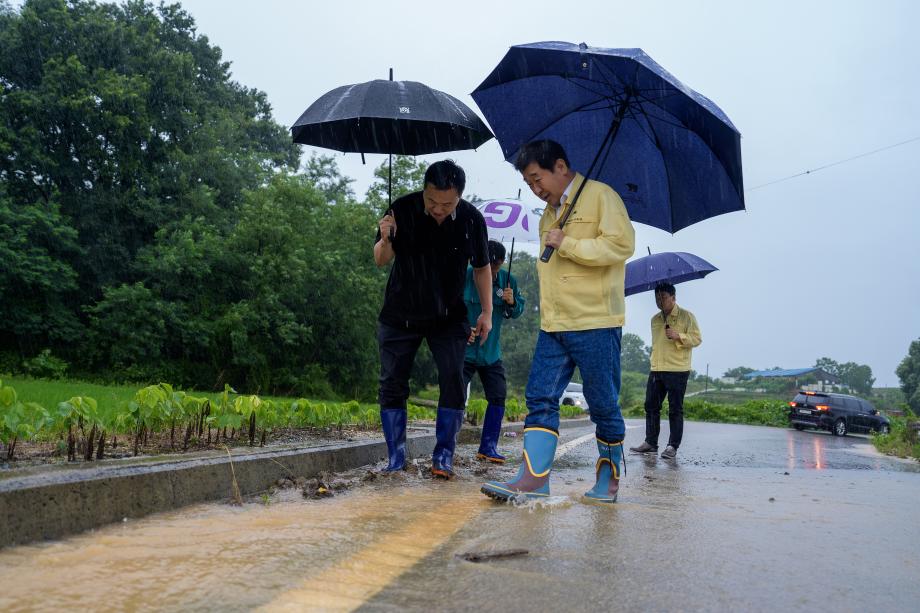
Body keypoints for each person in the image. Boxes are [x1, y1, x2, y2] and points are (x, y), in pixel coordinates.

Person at [482, 140, 635, 504]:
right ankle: (534, 479)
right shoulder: (550, 215)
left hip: (595, 321)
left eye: (538, 179)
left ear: (561, 166)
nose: (536, 189)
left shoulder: (601, 197)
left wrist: (568, 244)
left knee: (602, 404)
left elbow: (622, 245)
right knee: (540, 396)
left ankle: (607, 478)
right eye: (529, 182)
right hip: (554, 325)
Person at [374, 159, 493, 479]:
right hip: (401, 313)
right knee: (392, 383)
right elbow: (380, 260)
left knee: (454, 377)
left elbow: (481, 268)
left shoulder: (471, 219)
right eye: (432, 201)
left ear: (459, 197)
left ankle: (443, 456)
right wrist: (385, 239)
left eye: (447, 203)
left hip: (448, 316)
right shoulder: (401, 208)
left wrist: (487, 312)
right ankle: (396, 457)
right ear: (424, 191)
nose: (438, 209)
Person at [462, 240, 526, 463]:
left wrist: (512, 302)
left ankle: (488, 447)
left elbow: (516, 311)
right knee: (454, 396)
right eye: (490, 267)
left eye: (497, 268)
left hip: (491, 353)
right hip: (464, 351)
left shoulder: (508, 281)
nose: (493, 272)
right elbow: (449, 306)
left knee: (498, 396)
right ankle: (446, 449)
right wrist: (461, 328)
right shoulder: (463, 275)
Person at [629, 282, 702, 459]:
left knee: (675, 409)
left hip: (678, 369)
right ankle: (650, 443)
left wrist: (679, 336)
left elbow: (697, 338)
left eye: (663, 297)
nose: (659, 301)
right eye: (657, 298)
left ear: (673, 298)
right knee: (651, 406)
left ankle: (672, 446)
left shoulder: (687, 316)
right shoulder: (655, 319)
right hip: (657, 368)